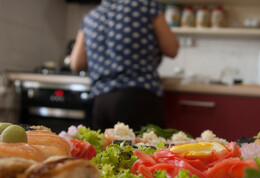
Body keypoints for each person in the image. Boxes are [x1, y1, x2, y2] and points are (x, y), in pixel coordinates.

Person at [70, 0, 179, 132]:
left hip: (102, 102)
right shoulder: (147, 6)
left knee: (107, 151)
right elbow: (171, 48)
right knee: (147, 151)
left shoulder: (91, 16)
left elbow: (76, 63)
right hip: (138, 99)